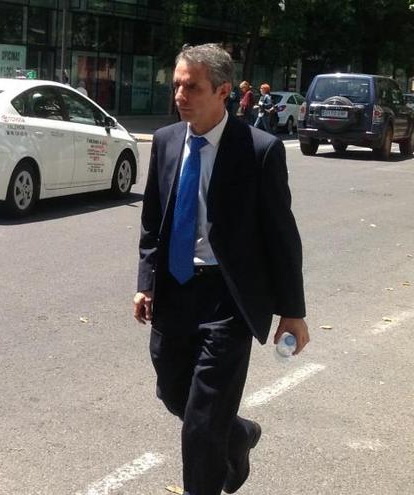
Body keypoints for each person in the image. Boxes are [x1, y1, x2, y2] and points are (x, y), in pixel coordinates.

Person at [132, 43, 309, 495]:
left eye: (192, 87)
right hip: (175, 288)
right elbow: (154, 220)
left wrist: (292, 310)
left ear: (223, 91)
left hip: (228, 297)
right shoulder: (168, 141)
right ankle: (240, 433)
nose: (180, 95)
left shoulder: (259, 150)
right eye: (176, 85)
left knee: (203, 420)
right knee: (174, 394)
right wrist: (146, 283)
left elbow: (281, 235)